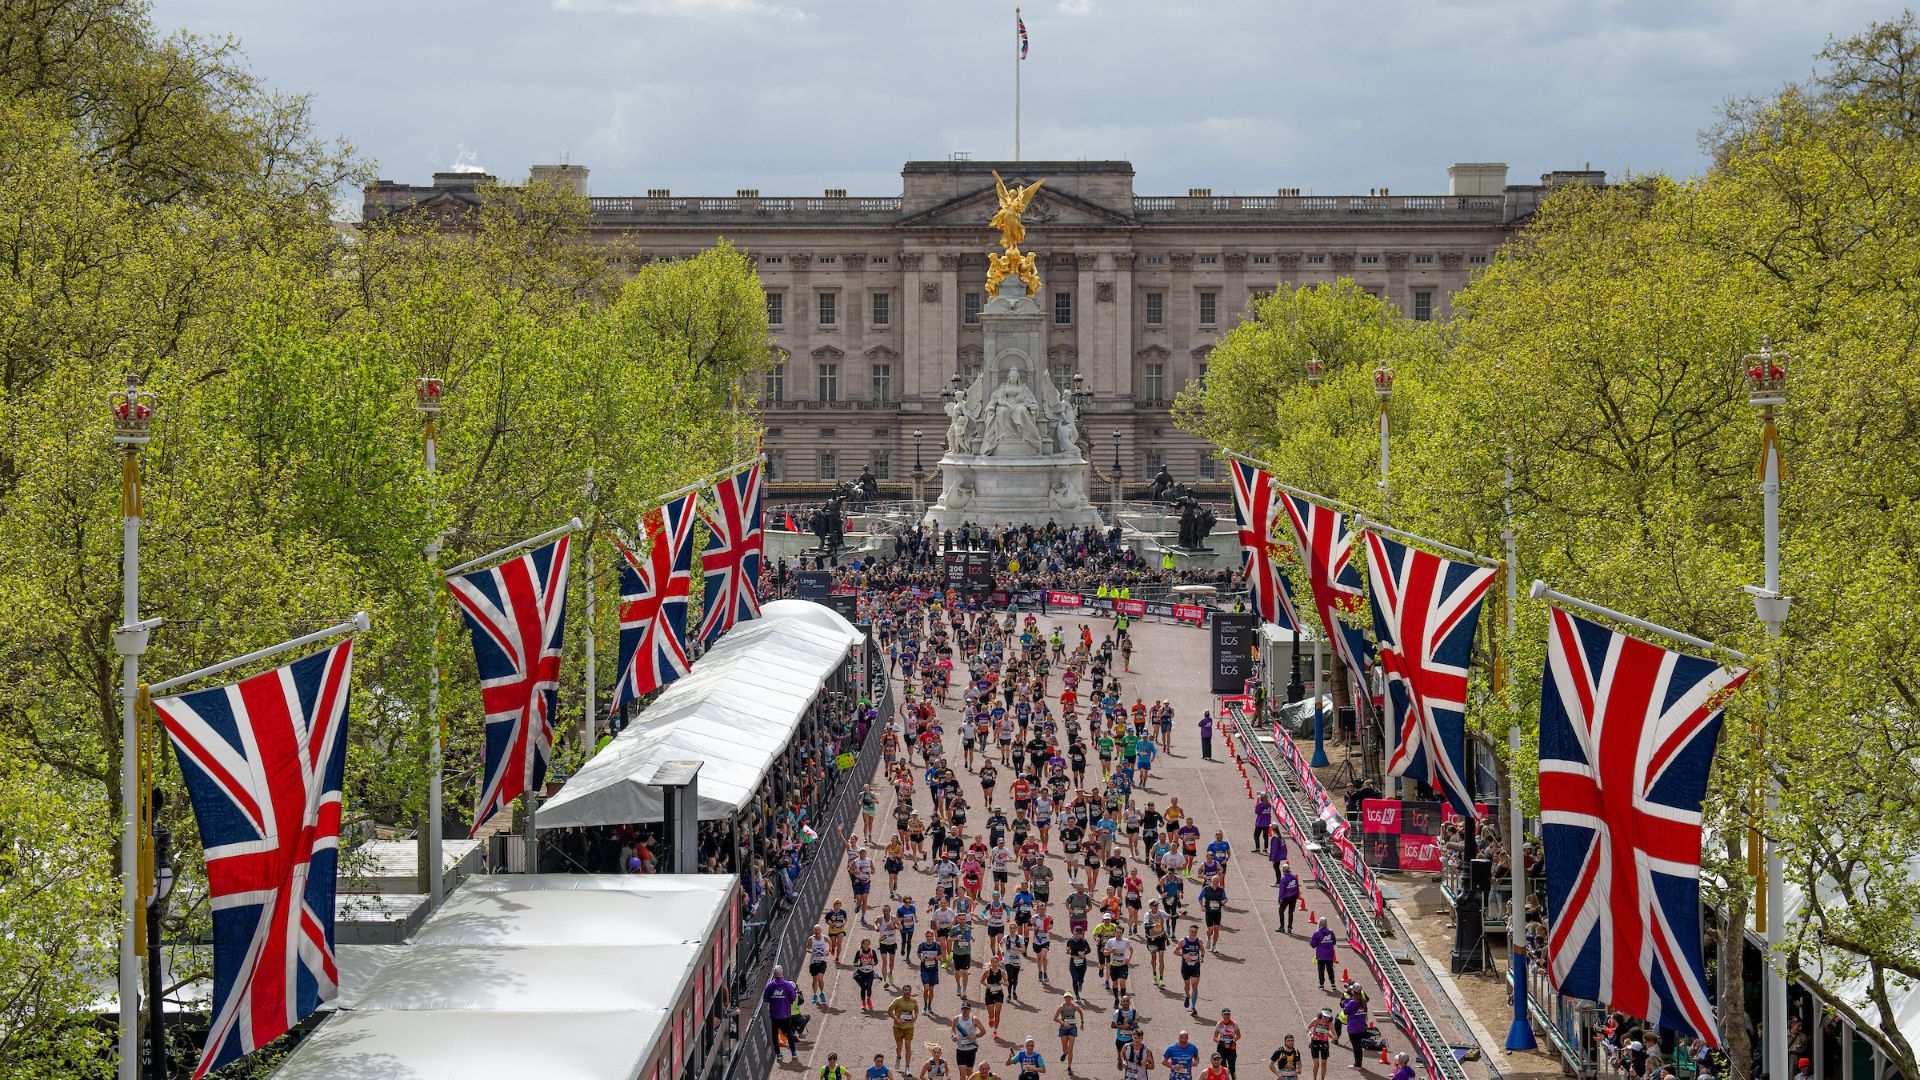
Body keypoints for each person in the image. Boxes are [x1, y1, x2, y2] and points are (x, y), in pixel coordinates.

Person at [765, 965, 801, 1063]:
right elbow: (793, 998)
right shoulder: (788, 985)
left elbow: (766, 999)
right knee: (789, 1033)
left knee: (774, 1034)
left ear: (774, 974)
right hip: (785, 1014)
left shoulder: (769, 985)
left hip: (774, 1015)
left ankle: (778, 1054)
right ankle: (793, 1052)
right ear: (782, 973)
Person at [889, 985, 923, 1069]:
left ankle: (907, 1067)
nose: (907, 992)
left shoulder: (914, 1000)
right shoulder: (897, 1000)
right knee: (899, 1047)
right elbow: (889, 1011)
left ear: (911, 992)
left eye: (909, 990)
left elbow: (917, 1010)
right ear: (902, 991)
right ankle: (898, 1057)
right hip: (898, 1027)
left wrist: (915, 1017)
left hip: (909, 1027)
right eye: (905, 990)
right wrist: (896, 1018)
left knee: (908, 1046)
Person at [1177, 926, 1206, 1015]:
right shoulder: (1183, 941)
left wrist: (1202, 957)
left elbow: (1202, 950)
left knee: (1194, 987)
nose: (1194, 934)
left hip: (1195, 967)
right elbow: (1175, 950)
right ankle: (1187, 995)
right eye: (1192, 932)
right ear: (1189, 931)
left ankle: (1193, 1008)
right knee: (1187, 985)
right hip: (1185, 967)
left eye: (1195, 932)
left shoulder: (1199, 941)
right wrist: (1183, 955)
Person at [1054, 992, 1084, 1076]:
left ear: (1072, 998)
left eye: (1069, 997)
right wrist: (1063, 1023)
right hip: (1063, 1029)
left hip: (1072, 1029)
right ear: (1064, 998)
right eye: (1065, 997)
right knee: (1064, 1047)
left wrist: (1082, 1023)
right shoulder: (1061, 1007)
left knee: (1070, 1049)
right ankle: (1065, 1053)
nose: (1067, 999)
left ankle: (1069, 1067)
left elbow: (1081, 1012)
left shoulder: (1075, 1006)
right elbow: (1055, 1018)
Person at [952, 1005, 987, 1075]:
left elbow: (983, 1031)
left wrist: (976, 1035)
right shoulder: (956, 1019)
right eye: (963, 1009)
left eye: (967, 1009)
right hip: (960, 1048)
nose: (965, 1011)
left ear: (970, 1009)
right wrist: (953, 1035)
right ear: (961, 1009)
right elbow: (953, 1029)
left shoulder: (974, 1019)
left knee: (969, 1073)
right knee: (962, 1072)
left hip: (971, 1048)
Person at [1340, 986, 1369, 1069]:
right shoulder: (1363, 1001)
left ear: (1353, 991)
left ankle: (1357, 1064)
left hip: (1353, 1028)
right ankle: (1359, 1063)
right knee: (1358, 1046)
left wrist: (1345, 1002)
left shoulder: (1352, 1002)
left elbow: (1345, 1011)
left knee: (1356, 1047)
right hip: (1361, 1027)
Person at [1199, 875, 1228, 953]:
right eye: (1214, 881)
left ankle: (1214, 945)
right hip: (1208, 912)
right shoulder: (1206, 889)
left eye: (1217, 881)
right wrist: (1202, 906)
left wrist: (1224, 901)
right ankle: (1209, 938)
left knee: (1216, 929)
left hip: (1217, 912)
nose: (1215, 883)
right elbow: (1200, 897)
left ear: (1219, 882)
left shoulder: (1221, 890)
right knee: (1210, 930)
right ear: (1211, 881)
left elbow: (1225, 898)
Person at [982, 955, 1009, 1037]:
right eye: (993, 962)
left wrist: (1002, 982)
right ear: (991, 963)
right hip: (989, 994)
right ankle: (990, 1018)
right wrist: (987, 985)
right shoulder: (987, 972)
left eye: (996, 962)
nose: (995, 964)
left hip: (999, 994)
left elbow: (1007, 984)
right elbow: (982, 981)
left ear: (998, 963)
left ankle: (995, 1031)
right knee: (992, 1015)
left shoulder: (1002, 972)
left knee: (997, 1013)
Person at [1309, 918, 1339, 990]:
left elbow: (1313, 945)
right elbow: (1334, 942)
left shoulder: (1317, 933)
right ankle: (1333, 984)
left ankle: (1321, 984)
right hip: (1329, 954)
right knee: (1330, 969)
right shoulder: (1331, 933)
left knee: (1321, 970)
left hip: (1321, 955)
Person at [1213, 1009, 1242, 1079]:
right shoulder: (1219, 1024)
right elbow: (1215, 1037)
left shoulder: (1234, 1024)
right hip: (1221, 1048)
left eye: (1228, 1014)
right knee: (1223, 1068)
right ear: (1222, 1015)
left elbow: (1239, 1035)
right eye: (1225, 1014)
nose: (1226, 1016)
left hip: (1231, 1048)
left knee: (1232, 1069)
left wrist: (1233, 1041)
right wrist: (1221, 1043)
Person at [808, 924, 833, 1004]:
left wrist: (829, 950)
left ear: (821, 930)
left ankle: (822, 993)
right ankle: (815, 995)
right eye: (815, 930)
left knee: (820, 978)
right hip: (813, 962)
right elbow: (808, 948)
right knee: (815, 979)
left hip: (822, 961)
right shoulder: (811, 939)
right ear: (813, 931)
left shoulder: (824, 937)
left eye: (818, 930)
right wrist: (810, 950)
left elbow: (830, 942)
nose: (817, 932)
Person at [854, 938, 881, 1009]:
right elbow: (855, 963)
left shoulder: (872, 952)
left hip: (869, 973)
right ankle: (863, 1002)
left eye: (868, 944)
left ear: (869, 945)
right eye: (865, 944)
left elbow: (876, 961)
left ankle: (869, 999)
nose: (866, 946)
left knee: (869, 987)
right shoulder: (859, 952)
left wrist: (873, 963)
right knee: (863, 988)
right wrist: (861, 963)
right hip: (861, 972)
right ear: (862, 944)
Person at [1307, 1010, 1334, 1080]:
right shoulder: (1315, 1020)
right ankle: (1314, 1078)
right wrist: (1311, 1034)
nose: (1326, 1018)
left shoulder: (1330, 1024)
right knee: (1316, 1064)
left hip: (1324, 1044)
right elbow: (1307, 1028)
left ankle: (1322, 1079)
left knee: (1324, 1064)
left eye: (1328, 1017)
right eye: (1324, 1016)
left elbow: (1336, 1037)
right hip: (1315, 1042)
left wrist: (1330, 1035)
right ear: (1321, 1015)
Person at [1276, 865, 1301, 934]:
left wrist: (1280, 898)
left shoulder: (1283, 878)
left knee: (1281, 911)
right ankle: (1289, 928)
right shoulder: (1294, 876)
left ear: (1283, 870)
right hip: (1294, 896)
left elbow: (1282, 890)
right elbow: (1297, 886)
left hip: (1286, 897)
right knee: (1291, 912)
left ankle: (1282, 927)